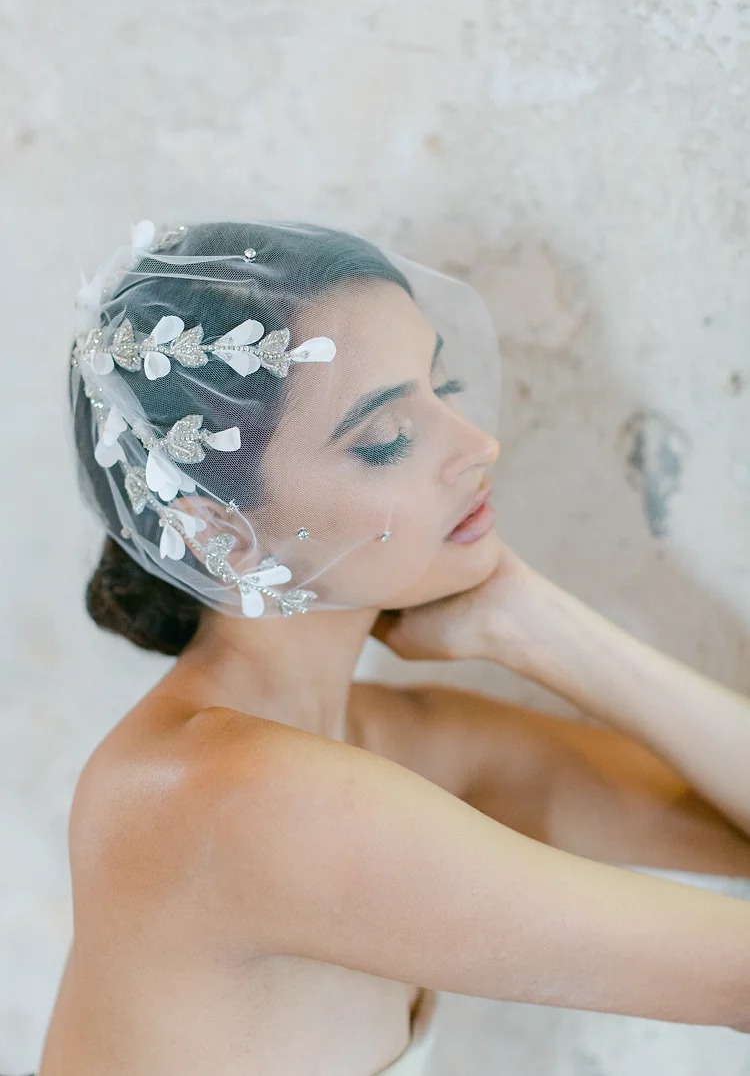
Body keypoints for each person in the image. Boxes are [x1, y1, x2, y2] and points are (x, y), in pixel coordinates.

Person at [35, 219, 750, 1075]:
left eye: (444, 385)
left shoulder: (387, 740)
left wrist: (532, 623)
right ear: (220, 530)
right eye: (387, 439)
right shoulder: (241, 800)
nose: (476, 445)